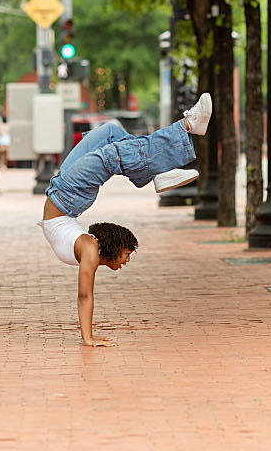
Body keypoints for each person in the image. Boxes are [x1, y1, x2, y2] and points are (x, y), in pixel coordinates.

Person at [39, 94, 212, 346]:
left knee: (113, 153)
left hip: (68, 194)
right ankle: (164, 165)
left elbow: (84, 296)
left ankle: (186, 127)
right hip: (65, 193)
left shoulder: (89, 250)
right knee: (111, 133)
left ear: (112, 248)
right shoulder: (89, 247)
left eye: (126, 255)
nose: (127, 260)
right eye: (128, 254)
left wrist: (87, 338)